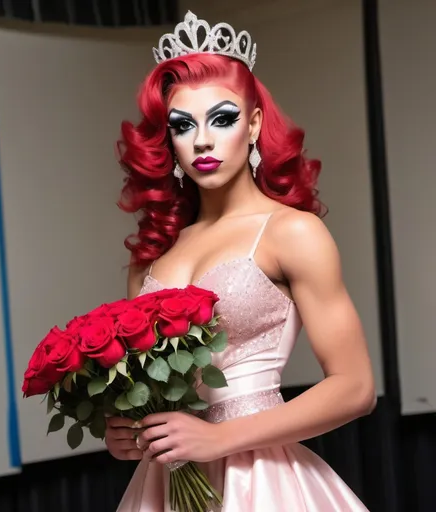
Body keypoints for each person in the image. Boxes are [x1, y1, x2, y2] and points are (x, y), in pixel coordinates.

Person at [105, 11, 376, 511]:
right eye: (182, 125)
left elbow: (356, 387)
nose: (202, 140)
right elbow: (153, 392)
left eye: (222, 118)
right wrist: (129, 433)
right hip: (168, 484)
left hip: (263, 482)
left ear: (252, 125)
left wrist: (218, 439)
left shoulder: (291, 231)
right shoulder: (154, 253)